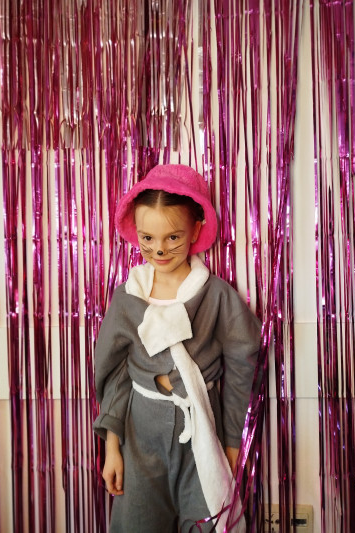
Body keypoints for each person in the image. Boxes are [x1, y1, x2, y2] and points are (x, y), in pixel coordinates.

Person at [93, 164, 261, 533]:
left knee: (207, 522)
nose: (159, 248)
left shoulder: (216, 296)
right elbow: (115, 376)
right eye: (147, 237)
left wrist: (231, 446)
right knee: (137, 524)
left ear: (196, 230)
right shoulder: (127, 299)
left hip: (202, 433)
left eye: (172, 237)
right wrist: (113, 448)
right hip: (140, 437)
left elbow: (241, 369)